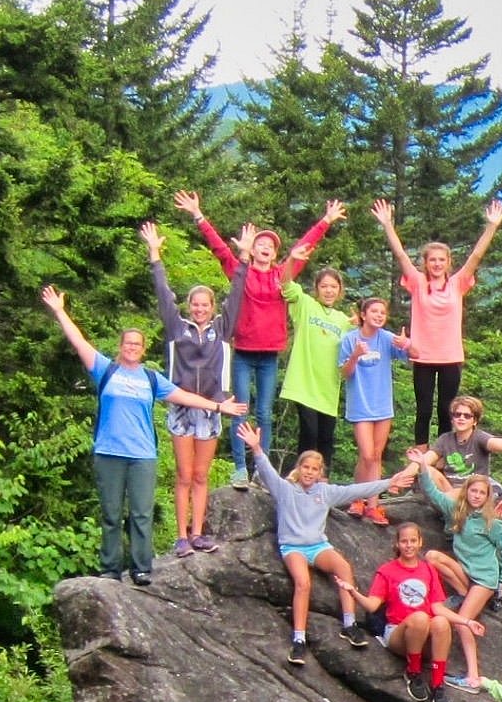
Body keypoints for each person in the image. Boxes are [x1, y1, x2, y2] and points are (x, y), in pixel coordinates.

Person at [43, 285, 248, 585]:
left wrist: (219, 406)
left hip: (142, 456)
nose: (132, 348)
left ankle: (141, 568)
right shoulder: (105, 370)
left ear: (143, 348)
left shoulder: (152, 379)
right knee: (112, 515)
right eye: (128, 343)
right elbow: (79, 342)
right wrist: (61, 312)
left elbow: (186, 396)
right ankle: (110, 568)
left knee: (141, 514)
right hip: (109, 452)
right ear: (121, 346)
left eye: (137, 344)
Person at [174, 191, 344, 490]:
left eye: (270, 246)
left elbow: (302, 248)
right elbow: (219, 249)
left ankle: (260, 469)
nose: (265, 248)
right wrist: (198, 215)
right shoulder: (240, 272)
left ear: (275, 254)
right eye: (260, 244)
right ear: (251, 250)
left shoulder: (281, 275)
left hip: (269, 354)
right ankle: (240, 468)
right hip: (243, 351)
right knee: (240, 407)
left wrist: (326, 221)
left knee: (264, 413)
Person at [235, 419, 408, 666]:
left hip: (317, 546)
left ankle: (349, 624)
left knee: (344, 568)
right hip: (293, 546)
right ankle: (299, 640)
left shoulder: (324, 493)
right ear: (299, 468)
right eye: (305, 467)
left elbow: (356, 490)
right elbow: (266, 471)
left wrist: (389, 483)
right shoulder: (285, 489)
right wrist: (257, 448)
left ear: (320, 473)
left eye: (314, 469)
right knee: (303, 582)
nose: (309, 472)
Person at [139, 220, 242, 558]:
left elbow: (237, 297)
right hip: (182, 407)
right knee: (183, 475)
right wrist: (155, 256)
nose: (199, 309)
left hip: (212, 406)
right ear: (189, 306)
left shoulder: (221, 330)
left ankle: (198, 533)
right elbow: (163, 295)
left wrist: (243, 259)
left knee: (201, 475)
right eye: (195, 304)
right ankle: (181, 536)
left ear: (212, 308)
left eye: (205, 305)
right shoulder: (176, 328)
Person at [370, 197, 502, 444]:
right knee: (423, 410)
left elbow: (476, 256)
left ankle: (442, 455)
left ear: (448, 263)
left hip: (450, 357)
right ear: (425, 262)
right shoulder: (418, 283)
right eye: (432, 260)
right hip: (422, 356)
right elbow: (401, 255)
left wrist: (492, 226)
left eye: (441, 260)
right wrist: (387, 224)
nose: (437, 264)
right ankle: (421, 454)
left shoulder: (457, 284)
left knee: (447, 410)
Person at [337, 522, 478, 702]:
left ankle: (437, 684)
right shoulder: (387, 571)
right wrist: (353, 592)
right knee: (420, 618)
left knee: (440, 622)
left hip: (425, 638)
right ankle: (413, 671)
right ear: (397, 544)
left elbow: (437, 607)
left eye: (413, 541)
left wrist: (467, 622)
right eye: (404, 541)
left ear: (420, 542)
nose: (409, 545)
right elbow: (372, 605)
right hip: (399, 634)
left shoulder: (428, 570)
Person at [417, 469, 502, 691]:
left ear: (487, 497)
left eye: (482, 492)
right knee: (432, 557)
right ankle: (463, 594)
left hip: (484, 579)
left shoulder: (492, 523)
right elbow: (433, 493)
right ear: (466, 491)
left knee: (462, 621)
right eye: (474, 490)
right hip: (466, 573)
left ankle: (473, 677)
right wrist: (423, 467)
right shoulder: (456, 511)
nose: (477, 495)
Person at [337, 296, 410, 526]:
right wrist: (356, 355)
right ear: (363, 315)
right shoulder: (350, 340)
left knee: (376, 455)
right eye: (374, 312)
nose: (379, 316)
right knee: (366, 454)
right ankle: (357, 497)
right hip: (360, 405)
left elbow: (413, 355)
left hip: (382, 405)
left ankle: (372, 504)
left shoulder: (387, 338)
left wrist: (406, 344)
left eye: (382, 312)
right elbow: (345, 373)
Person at [278, 263, 354, 475]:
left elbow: (365, 335)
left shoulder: (344, 321)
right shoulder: (305, 304)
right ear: (316, 288)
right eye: (324, 286)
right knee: (309, 435)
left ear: (340, 290)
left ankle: (322, 485)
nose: (329, 291)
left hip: (328, 389)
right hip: (303, 385)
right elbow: (284, 281)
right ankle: (300, 482)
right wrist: (294, 258)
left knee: (326, 439)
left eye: (333, 287)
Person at [396, 394, 502, 502]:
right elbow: (424, 460)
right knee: (427, 469)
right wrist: (400, 479)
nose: (461, 418)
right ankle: (447, 506)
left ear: (474, 421)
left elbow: (496, 443)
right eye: (457, 415)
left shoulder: (479, 437)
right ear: (452, 419)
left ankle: (446, 507)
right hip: (450, 488)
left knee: (461, 493)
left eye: (467, 416)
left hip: (474, 490)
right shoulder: (445, 439)